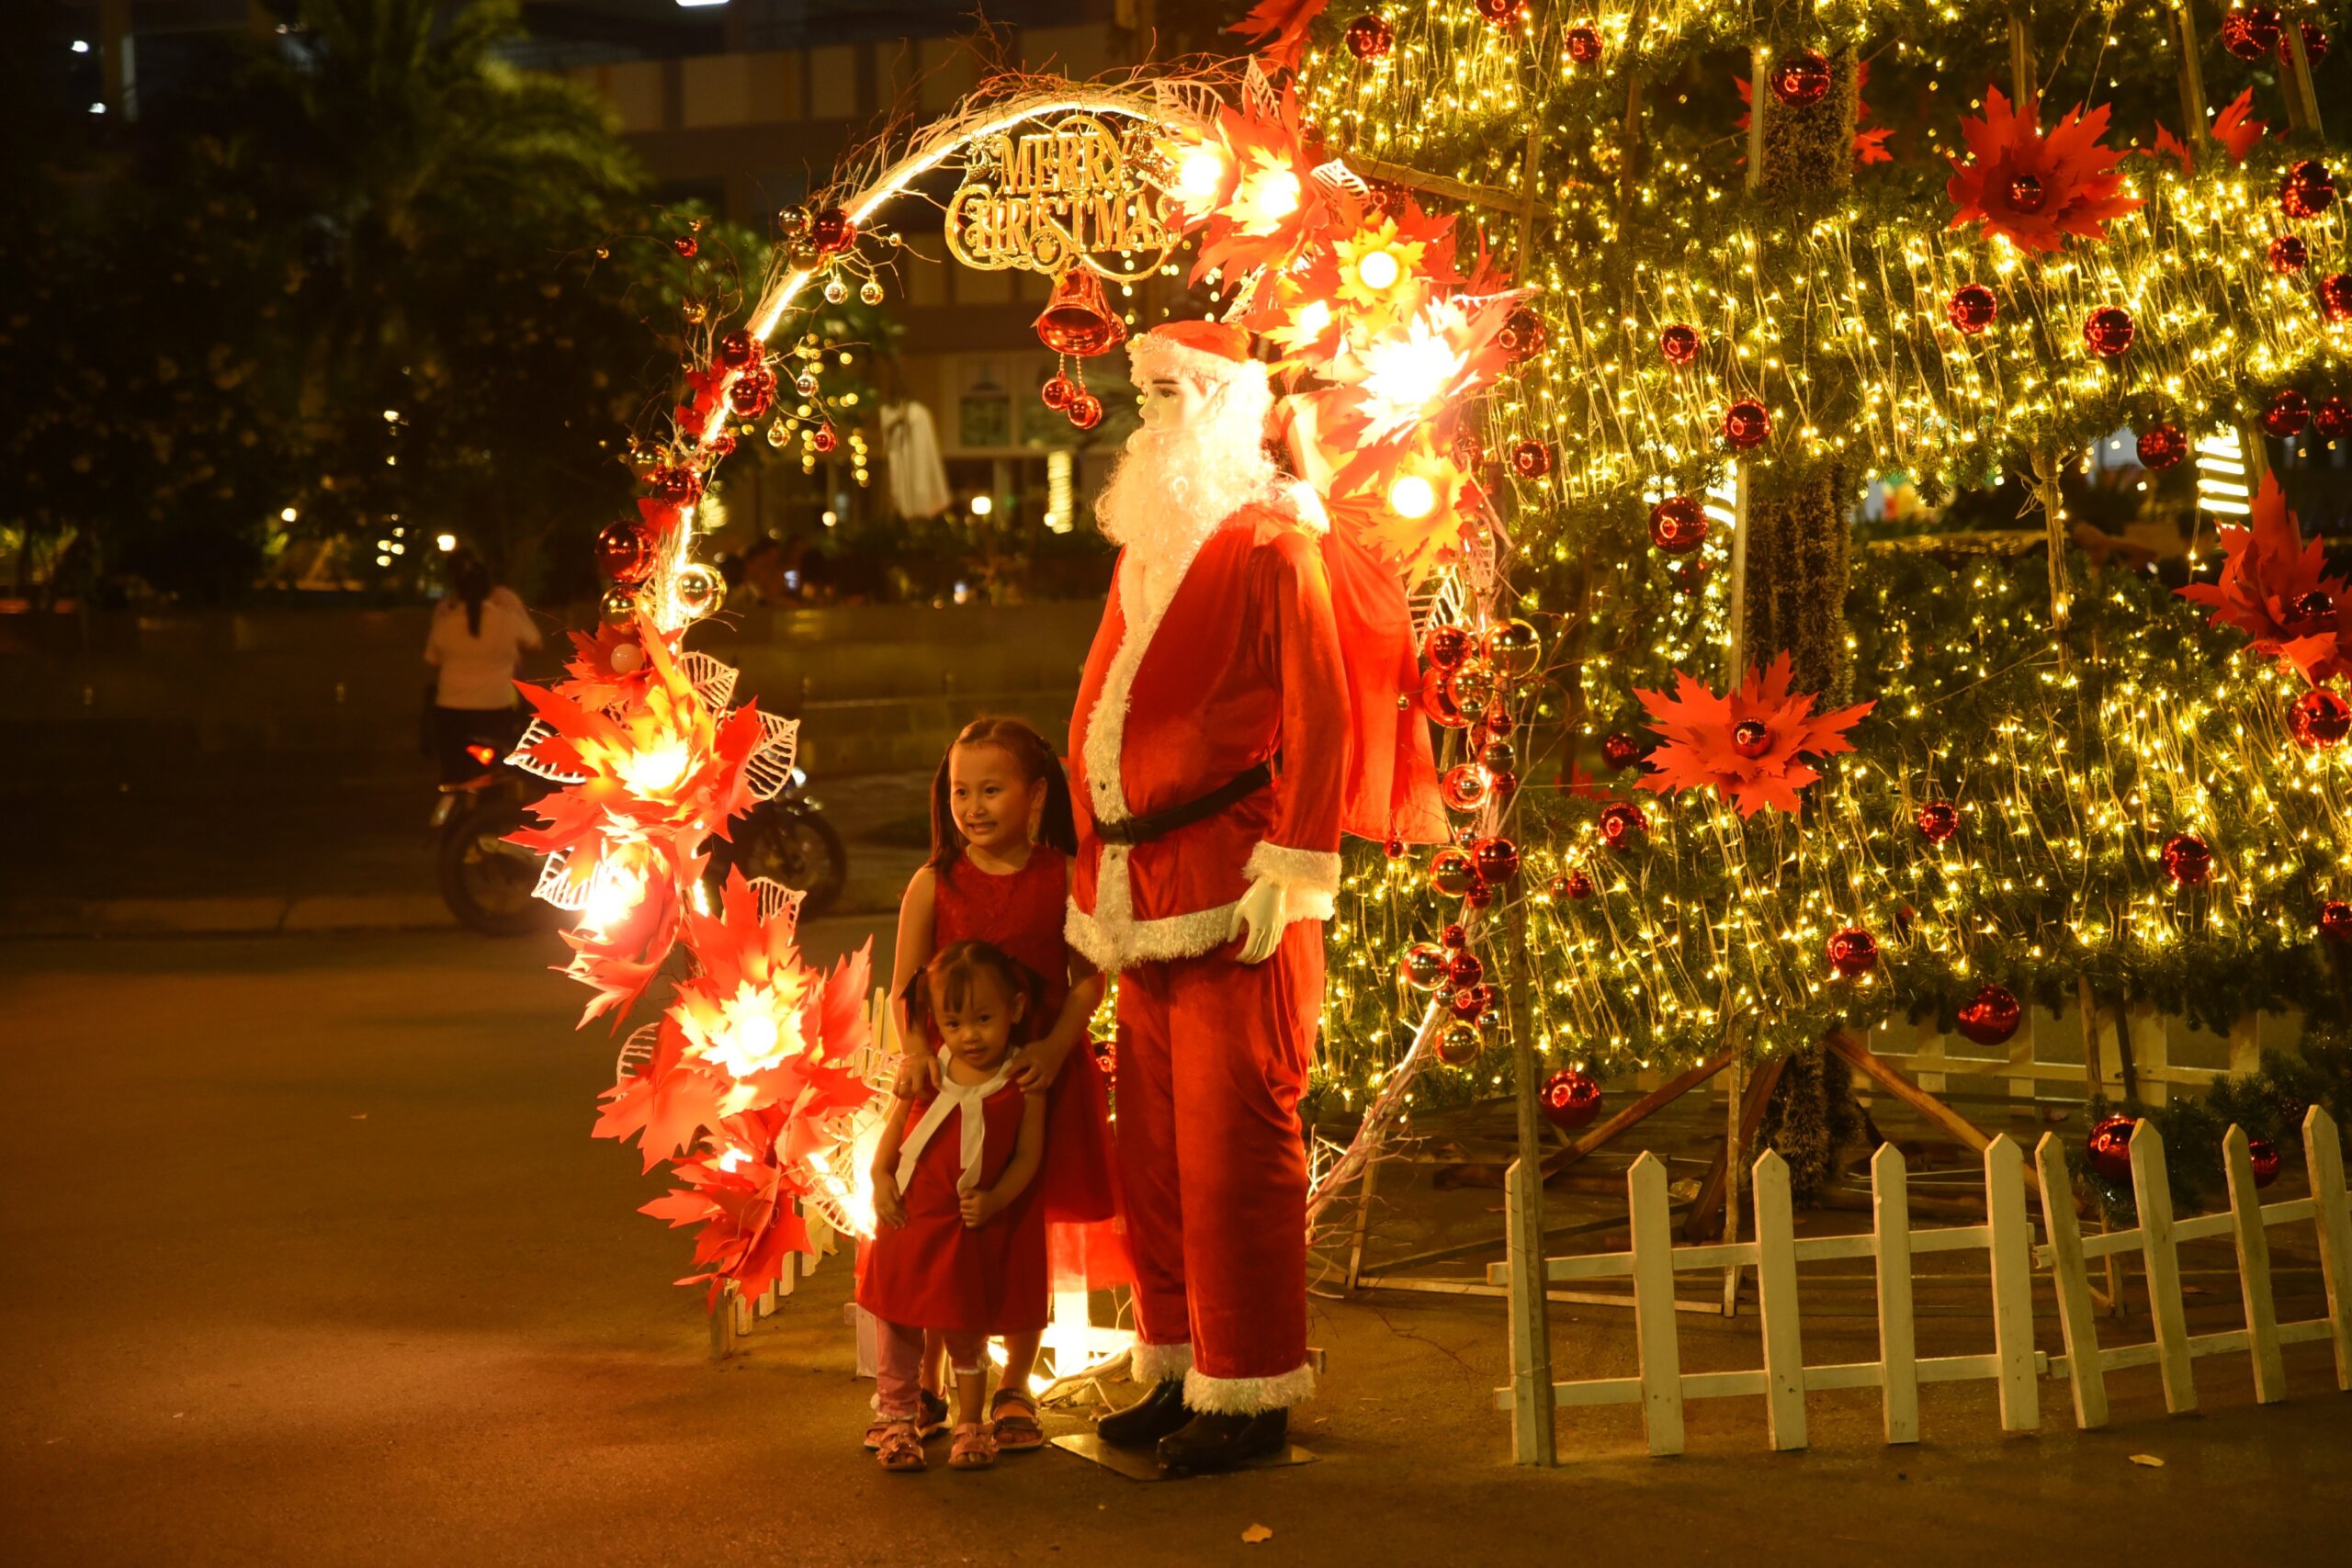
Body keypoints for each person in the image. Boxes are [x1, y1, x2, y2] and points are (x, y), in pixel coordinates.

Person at [1069, 319, 1436, 1472]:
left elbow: (1323, 711)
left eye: (1175, 392)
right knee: (1158, 1154)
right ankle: (1180, 1364)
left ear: (1230, 406)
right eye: (1147, 395)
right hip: (1144, 881)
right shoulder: (1148, 548)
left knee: (1234, 1146)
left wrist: (1295, 863)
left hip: (1233, 876)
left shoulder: (1278, 542)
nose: (1150, 416)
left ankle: (1250, 1389)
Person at [872, 716, 1117, 1455]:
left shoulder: (1062, 879)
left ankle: (1014, 1383)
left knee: (1016, 1231)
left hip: (1032, 1080)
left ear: (1037, 795)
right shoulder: (933, 882)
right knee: (945, 1228)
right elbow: (904, 988)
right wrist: (915, 1052)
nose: (972, 807)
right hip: (945, 1092)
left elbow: (1088, 977)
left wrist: (1054, 1044)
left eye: (991, 789)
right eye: (959, 792)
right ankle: (929, 1385)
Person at [859, 941, 1052, 1472]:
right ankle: (898, 1421)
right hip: (908, 1217)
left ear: (1013, 1011)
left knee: (966, 1326)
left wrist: (994, 1201)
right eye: (954, 1022)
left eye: (985, 1019)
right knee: (898, 1322)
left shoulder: (1022, 1081)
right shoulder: (928, 1070)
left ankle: (971, 1424)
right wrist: (879, 1179)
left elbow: (1027, 1158)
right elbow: (893, 1134)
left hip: (967, 1225)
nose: (970, 1035)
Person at [423, 549, 542, 783]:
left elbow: (432, 659)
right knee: (493, 776)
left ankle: (452, 815)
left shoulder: (445, 622)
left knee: (453, 777)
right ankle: (489, 817)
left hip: (449, 711)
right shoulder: (507, 620)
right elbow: (535, 642)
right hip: (495, 709)